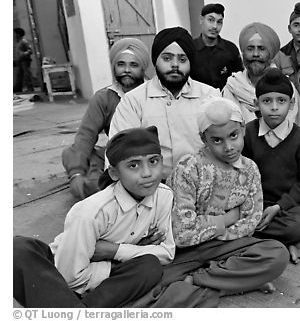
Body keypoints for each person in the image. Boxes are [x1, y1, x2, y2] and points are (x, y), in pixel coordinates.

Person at [13, 126, 175, 307]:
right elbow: (70, 278)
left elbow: (166, 253)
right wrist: (116, 263)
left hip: (110, 269)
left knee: (149, 267)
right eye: (133, 165)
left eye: (153, 161)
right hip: (62, 275)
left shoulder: (164, 195)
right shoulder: (91, 212)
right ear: (114, 173)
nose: (147, 173)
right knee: (17, 249)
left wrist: (111, 250)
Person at [162, 97, 289, 303]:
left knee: (276, 254)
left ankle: (198, 281)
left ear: (243, 130)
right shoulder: (189, 167)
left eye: (233, 135)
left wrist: (212, 232)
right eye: (217, 140)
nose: (229, 147)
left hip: (229, 245)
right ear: (204, 139)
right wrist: (228, 219)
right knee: (154, 282)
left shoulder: (249, 170)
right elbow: (182, 234)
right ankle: (232, 282)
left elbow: (249, 222)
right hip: (186, 252)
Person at [109, 27, 220, 179]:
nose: (175, 65)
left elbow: (223, 144)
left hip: (205, 182)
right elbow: (119, 151)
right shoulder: (134, 101)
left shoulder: (210, 97)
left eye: (182, 59)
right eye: (167, 58)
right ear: (155, 61)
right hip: (151, 186)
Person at [243, 68, 300, 264]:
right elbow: (242, 175)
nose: (274, 107)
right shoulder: (248, 133)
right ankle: (284, 242)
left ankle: (260, 240)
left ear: (291, 104)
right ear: (255, 104)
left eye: (281, 101)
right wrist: (253, 206)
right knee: (233, 218)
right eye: (267, 101)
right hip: (256, 202)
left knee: (299, 228)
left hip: (289, 206)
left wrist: (279, 206)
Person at [62, 38, 150, 199]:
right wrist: (76, 173)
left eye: (134, 65)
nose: (127, 70)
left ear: (143, 68)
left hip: (149, 158)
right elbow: (86, 135)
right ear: (114, 67)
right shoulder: (104, 98)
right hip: (116, 156)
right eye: (121, 64)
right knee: (79, 154)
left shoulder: (153, 93)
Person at [223, 22, 300, 126]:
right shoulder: (232, 87)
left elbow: (291, 129)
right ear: (243, 53)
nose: (255, 54)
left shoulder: (286, 88)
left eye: (261, 49)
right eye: (250, 49)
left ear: (271, 54)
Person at [190, 3, 243, 90]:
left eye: (219, 22)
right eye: (210, 20)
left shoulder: (230, 49)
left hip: (225, 99)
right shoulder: (190, 48)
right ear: (201, 20)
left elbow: (239, 81)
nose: (215, 26)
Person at [13, 27, 34, 92]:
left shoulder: (24, 41)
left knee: (26, 74)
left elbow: (30, 50)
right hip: (20, 61)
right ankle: (18, 88)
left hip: (25, 61)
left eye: (15, 34)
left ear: (18, 34)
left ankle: (30, 87)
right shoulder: (18, 42)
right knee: (19, 75)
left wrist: (23, 54)